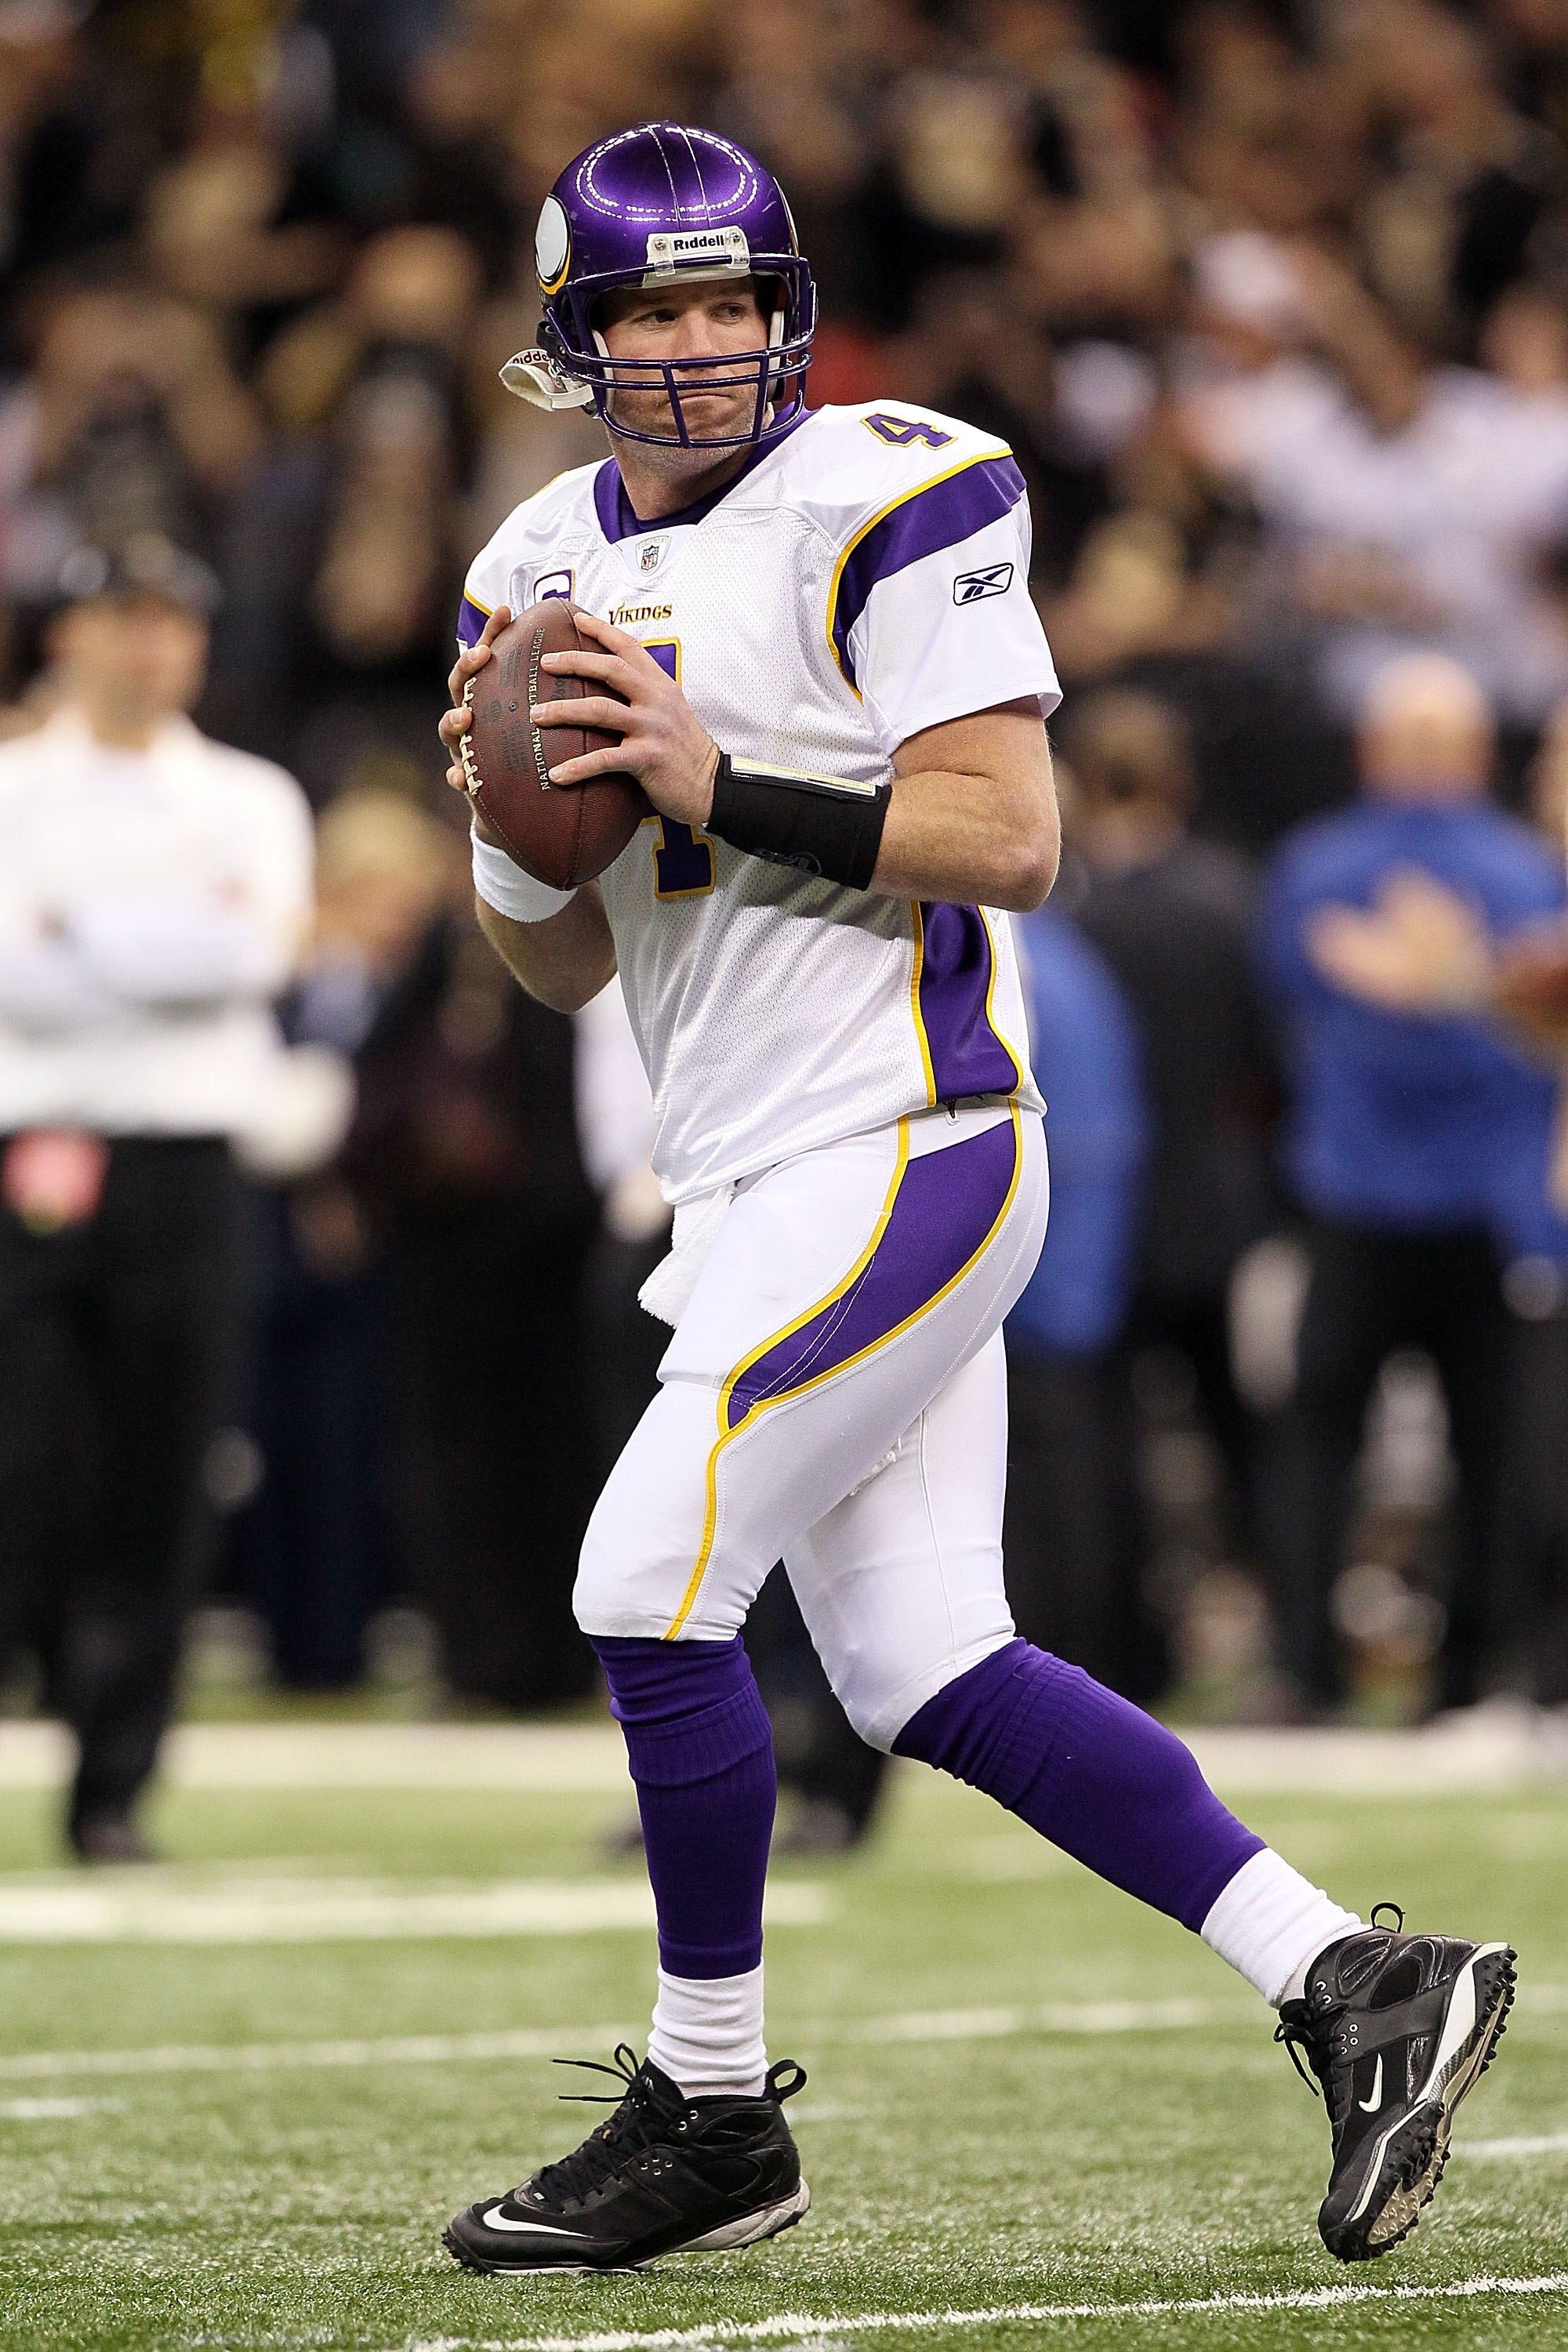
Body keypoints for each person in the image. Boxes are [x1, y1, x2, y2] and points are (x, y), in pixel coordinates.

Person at [437, 123, 1515, 2280]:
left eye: (740, 300)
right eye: (657, 307)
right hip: (743, 1165)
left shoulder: (902, 483)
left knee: (647, 1581)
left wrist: (705, 775)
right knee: (930, 1660)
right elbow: (560, 953)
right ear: (581, 336)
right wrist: (506, 825)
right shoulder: (534, 558)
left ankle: (715, 2106)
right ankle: (1359, 1982)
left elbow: (1008, 836)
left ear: (792, 310)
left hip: (910, 1136)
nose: (706, 343)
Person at [0, 534, 314, 1859]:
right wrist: (163, 941)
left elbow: (250, 957)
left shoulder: (251, 797)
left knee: (163, 1471)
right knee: (28, 1459)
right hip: (33, 1150)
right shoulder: (14, 786)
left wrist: (88, 930)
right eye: (122, 618)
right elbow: (19, 975)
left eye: (170, 620)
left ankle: (114, 1786)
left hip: (187, 1161)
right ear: (68, 636)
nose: (149, 644)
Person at [1258, 655, 1568, 1715]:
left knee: (1316, 1444)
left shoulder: (1314, 864)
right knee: (1490, 1453)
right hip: (1492, 1201)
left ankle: (1306, 1669)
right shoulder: (1525, 870)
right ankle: (1466, 1676)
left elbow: (1286, 1013)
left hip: (1355, 1189)